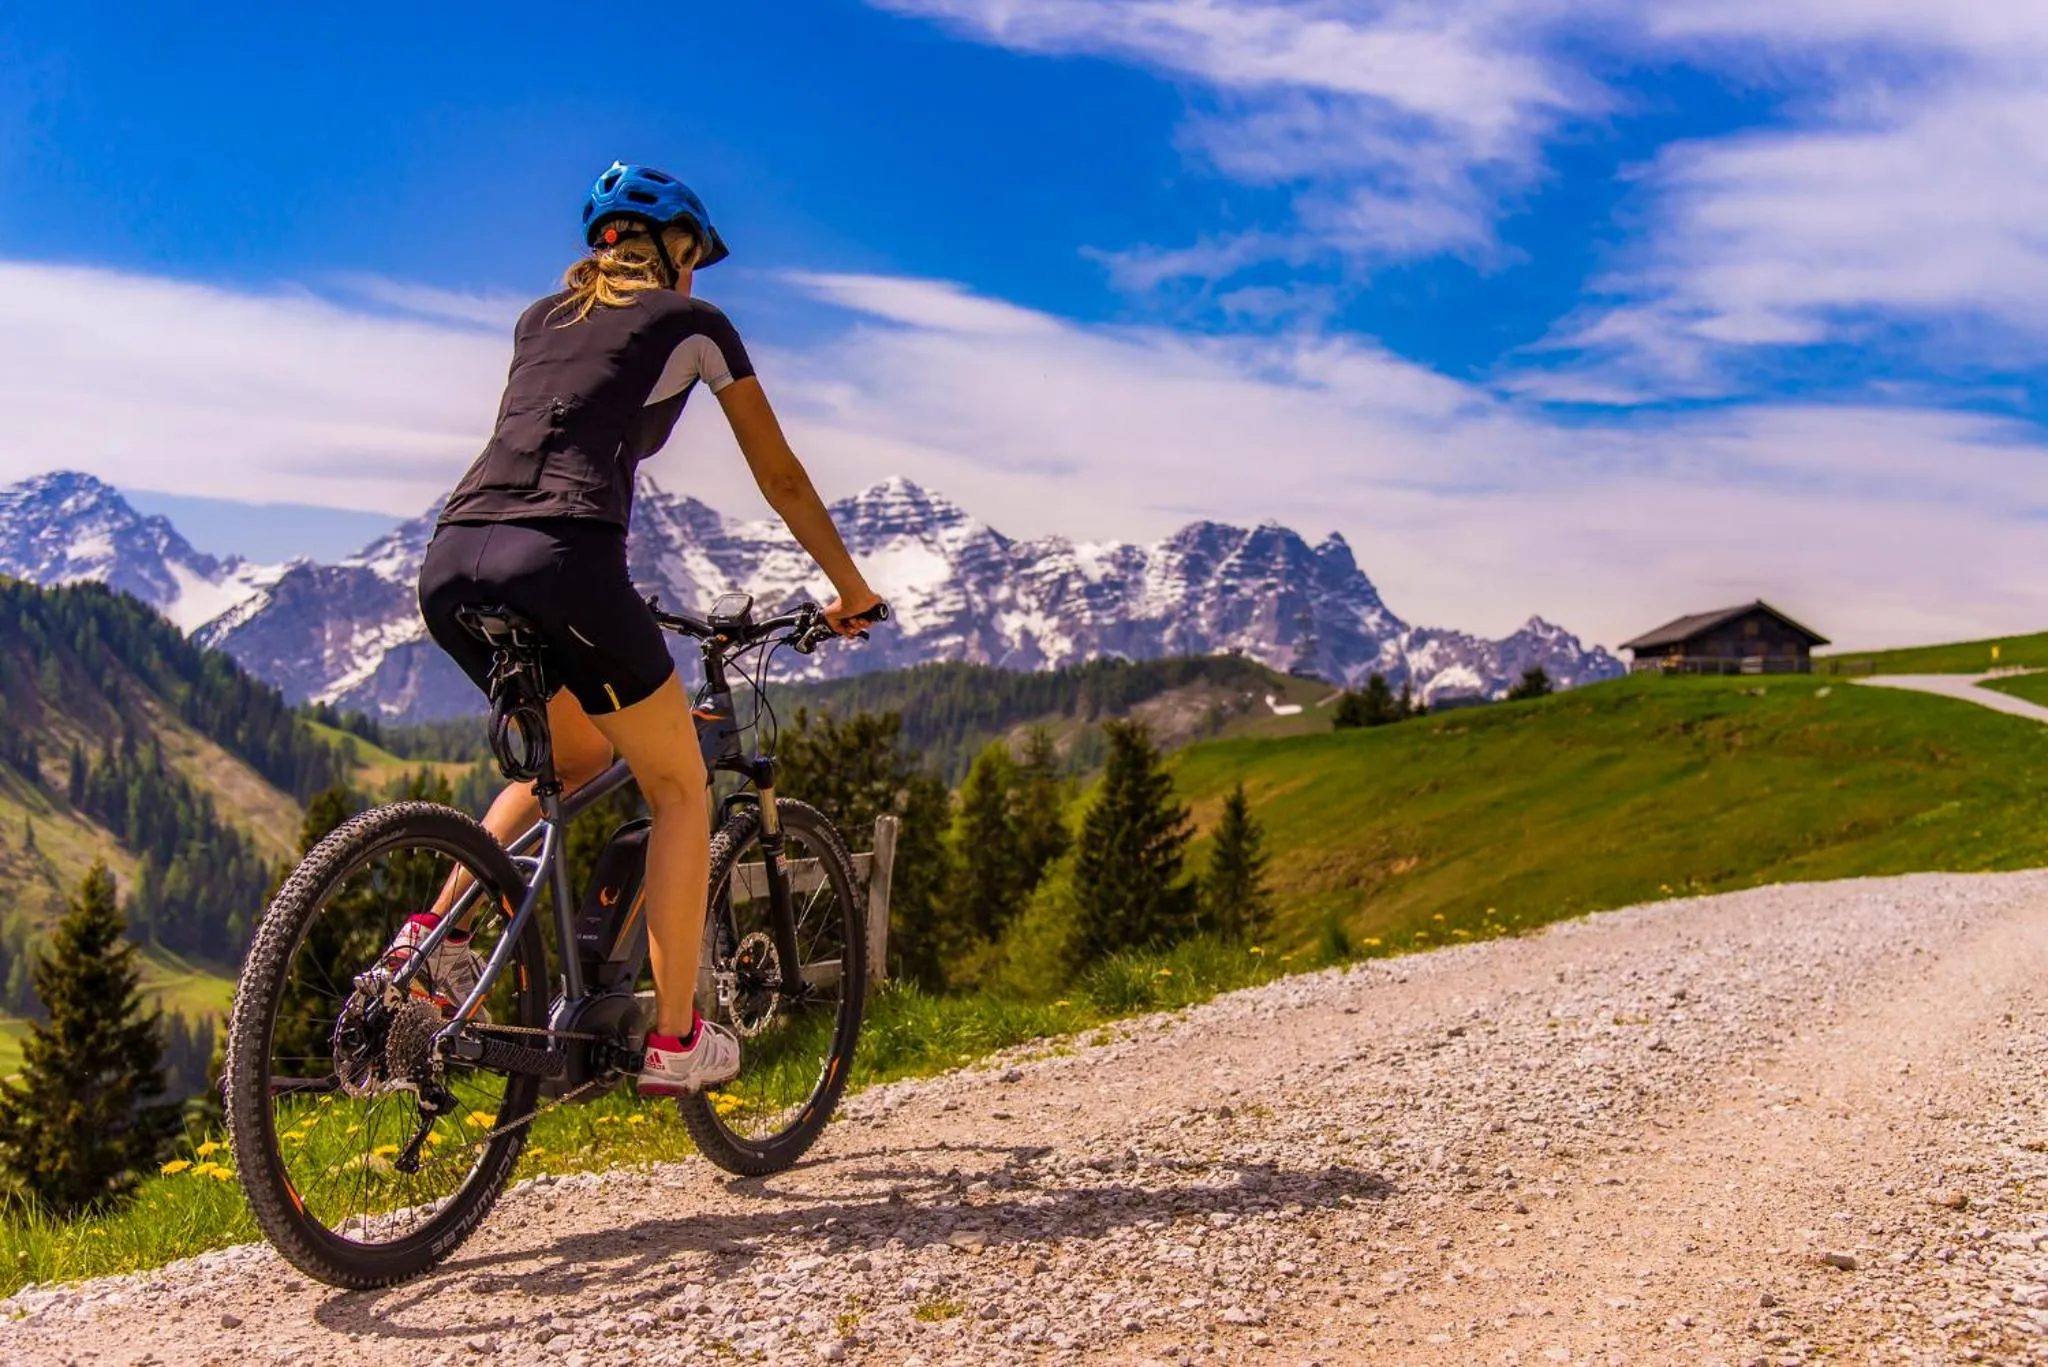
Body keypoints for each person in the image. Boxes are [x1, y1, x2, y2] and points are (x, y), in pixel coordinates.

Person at [393, 162, 886, 1096]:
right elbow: (779, 475)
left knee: (568, 764)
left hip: (454, 559)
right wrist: (849, 590)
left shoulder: (539, 319)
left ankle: (428, 941)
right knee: (681, 788)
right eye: (694, 255)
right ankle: (675, 1038)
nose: (697, 275)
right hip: (565, 560)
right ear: (673, 250)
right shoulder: (695, 326)